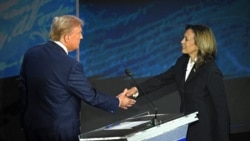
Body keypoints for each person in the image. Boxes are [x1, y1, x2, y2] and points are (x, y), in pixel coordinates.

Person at [18, 15, 136, 141]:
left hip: (32, 128)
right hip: (60, 133)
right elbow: (90, 96)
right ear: (67, 37)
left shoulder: (32, 53)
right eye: (79, 33)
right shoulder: (70, 65)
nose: (81, 37)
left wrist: (24, 122)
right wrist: (117, 102)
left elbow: (23, 91)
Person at [126, 24, 230, 141]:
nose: (181, 41)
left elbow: (221, 110)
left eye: (186, 39)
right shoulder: (182, 62)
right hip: (186, 129)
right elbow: (162, 79)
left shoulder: (210, 70)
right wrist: (136, 90)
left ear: (199, 43)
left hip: (205, 132)